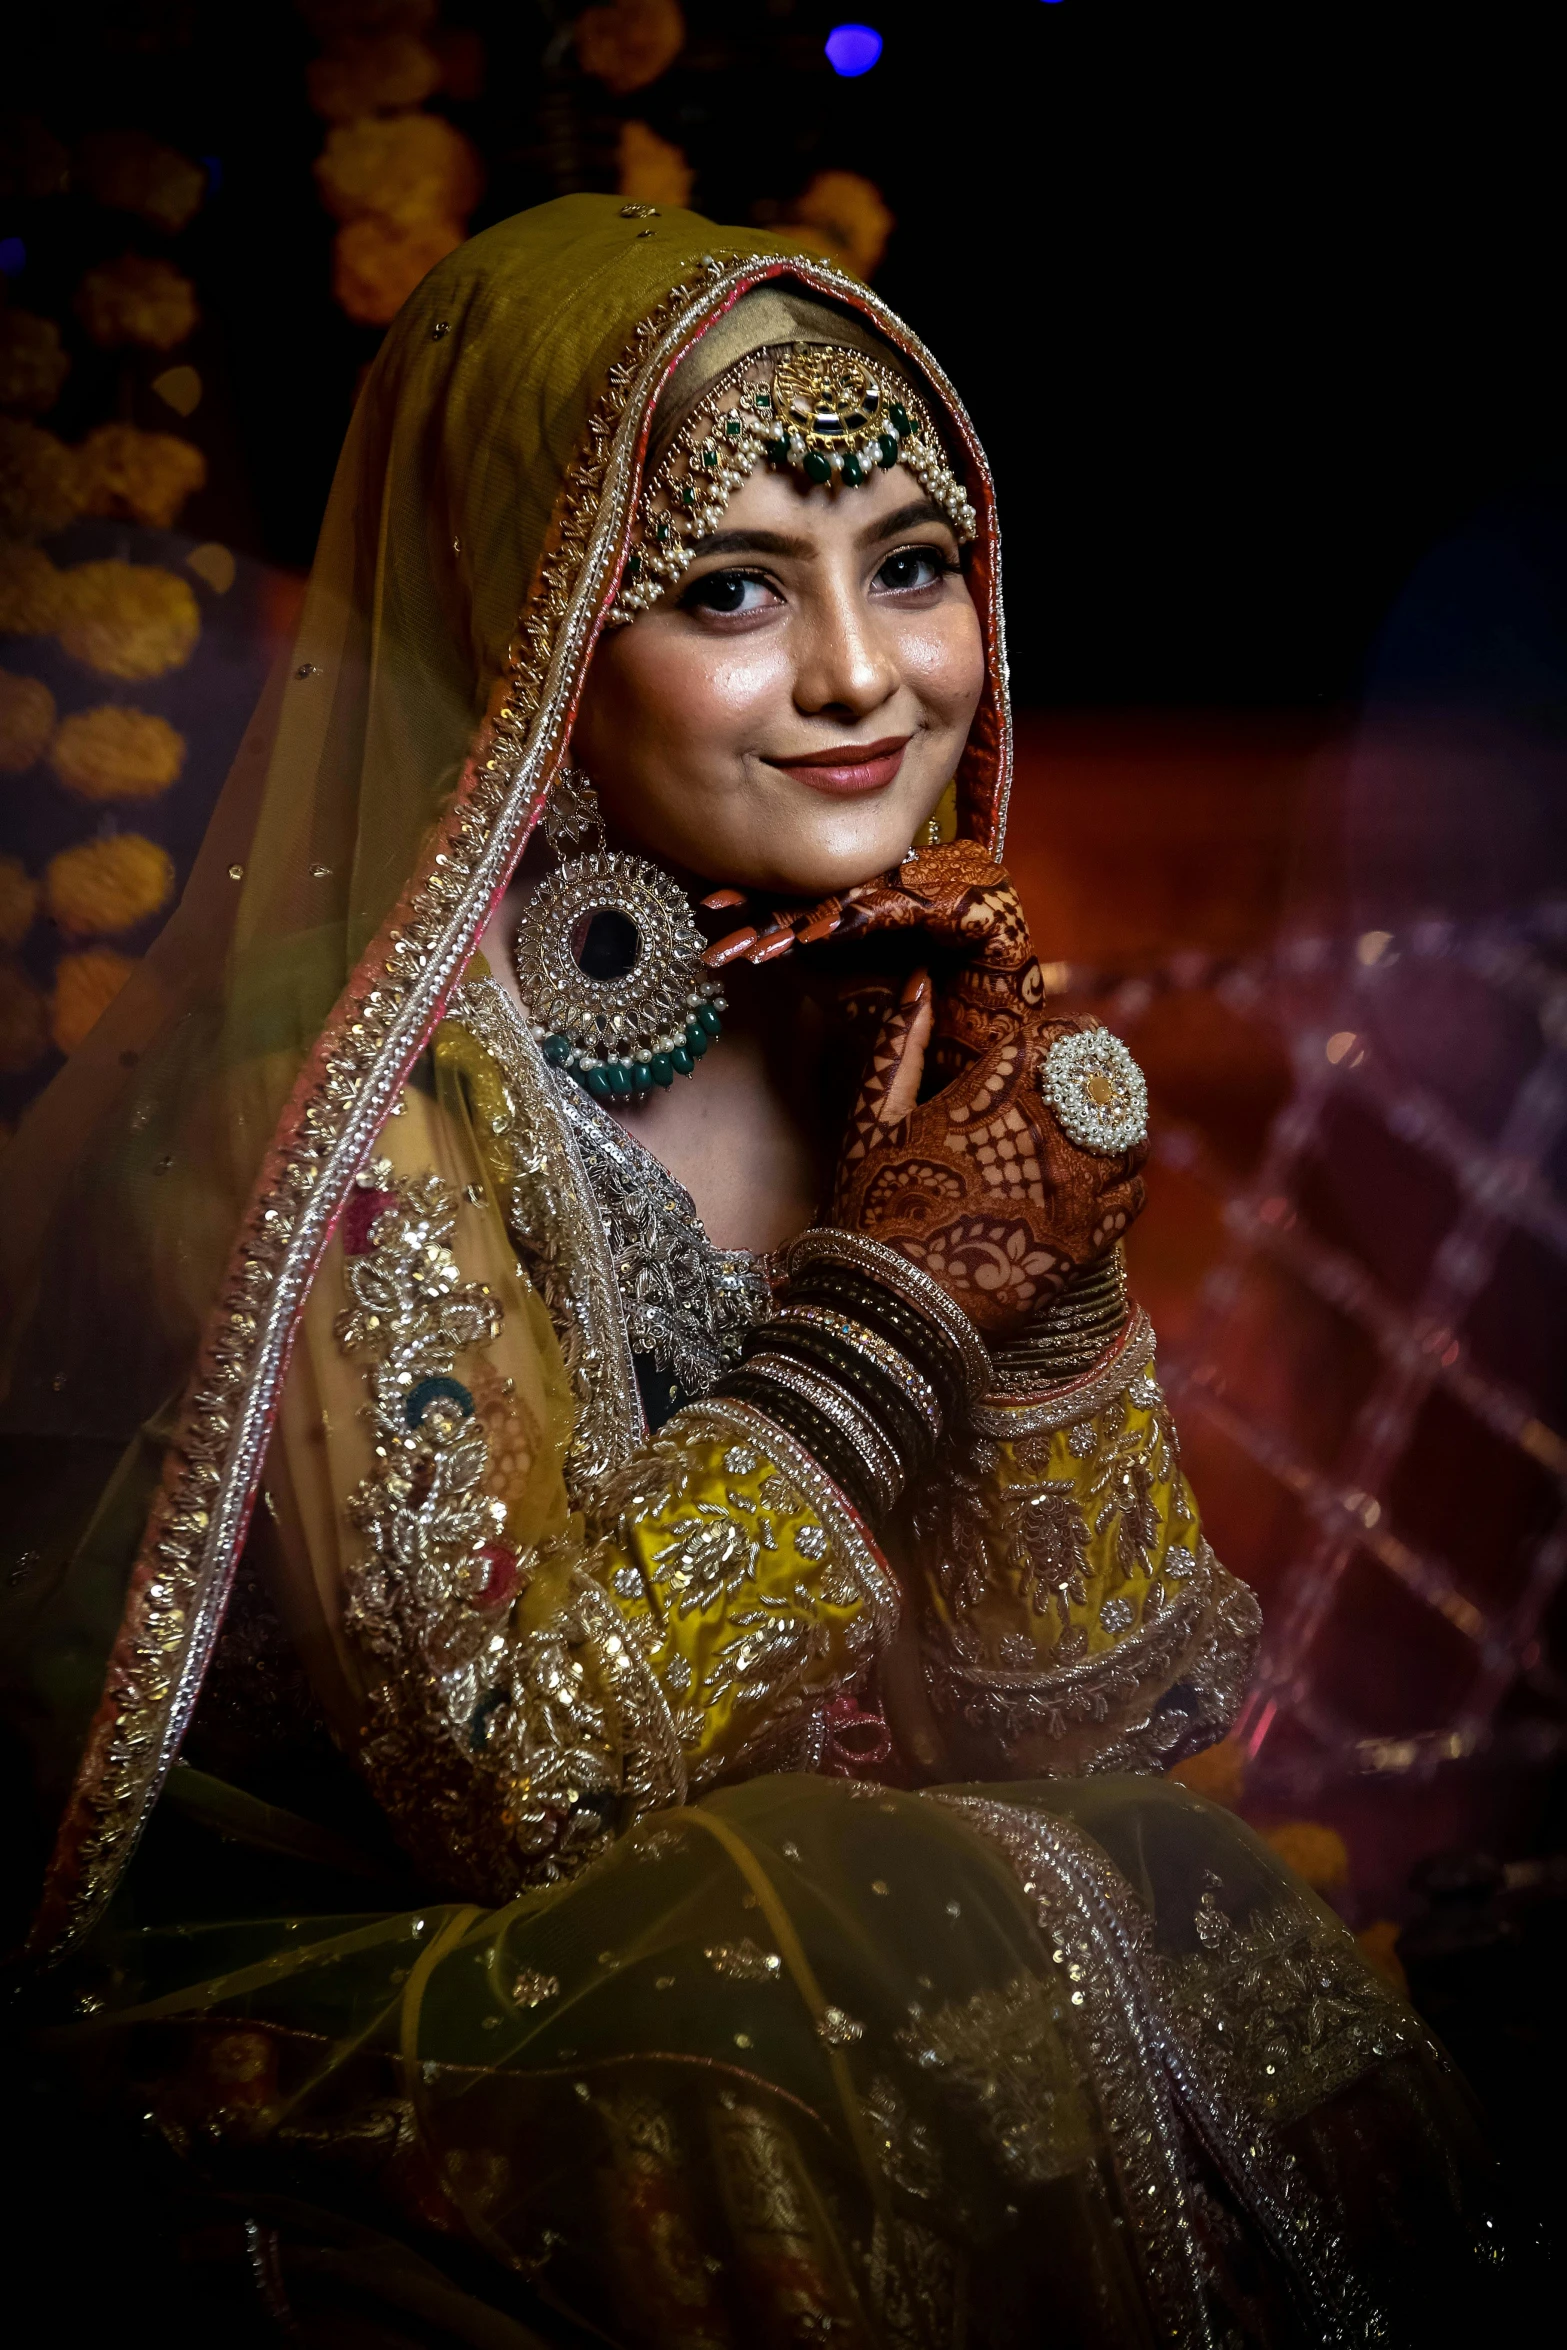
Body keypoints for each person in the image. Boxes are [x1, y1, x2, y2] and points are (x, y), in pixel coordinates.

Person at [0, 196, 1492, 2347]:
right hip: (430, 1992)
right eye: (726, 591)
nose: (865, 677)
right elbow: (515, 1777)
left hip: (861, 1947)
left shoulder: (889, 1029)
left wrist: (1041, 1282)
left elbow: (1099, 1721)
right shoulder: (341, 1116)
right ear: (530, 635)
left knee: (1132, 1909)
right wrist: (898, 1299)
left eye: (913, 563)